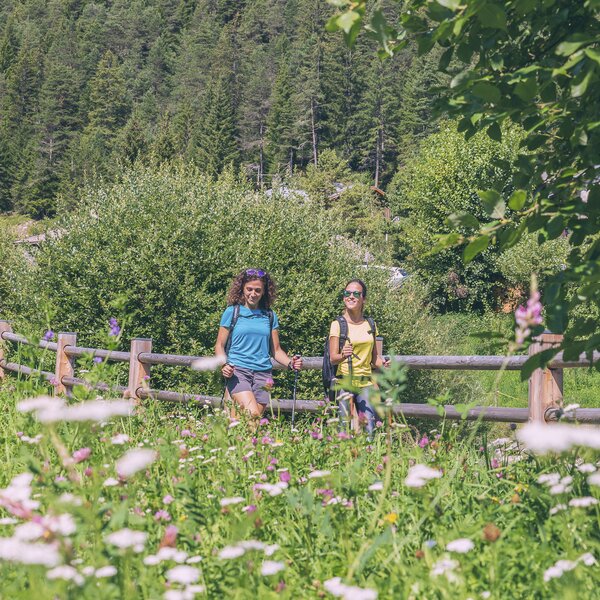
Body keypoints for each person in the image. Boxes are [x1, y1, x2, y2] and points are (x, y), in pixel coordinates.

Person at [215, 269, 302, 419]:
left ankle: (240, 443)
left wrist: (290, 363)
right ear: (242, 289)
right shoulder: (232, 312)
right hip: (238, 372)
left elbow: (276, 350)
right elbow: (219, 346)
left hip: (263, 374)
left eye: (257, 290)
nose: (253, 294)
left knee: (241, 423)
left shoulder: (269, 315)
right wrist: (224, 365)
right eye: (249, 289)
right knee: (253, 416)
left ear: (264, 292)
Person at [329, 279, 390, 436]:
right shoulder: (337, 324)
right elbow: (333, 358)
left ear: (363, 298)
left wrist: (384, 364)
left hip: (366, 383)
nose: (351, 296)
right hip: (344, 381)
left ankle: (369, 457)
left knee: (369, 427)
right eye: (347, 293)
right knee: (343, 427)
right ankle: (343, 458)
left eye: (356, 293)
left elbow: (374, 359)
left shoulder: (370, 324)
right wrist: (344, 355)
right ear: (343, 298)